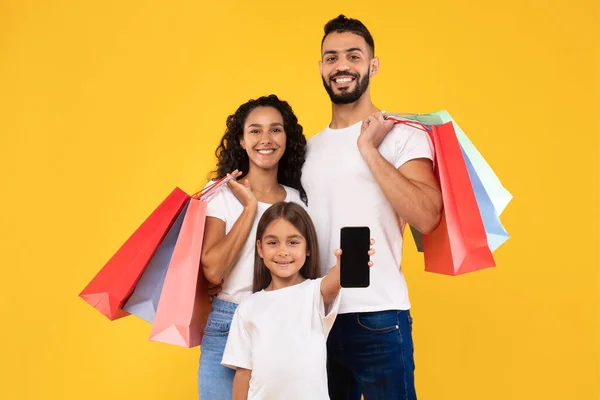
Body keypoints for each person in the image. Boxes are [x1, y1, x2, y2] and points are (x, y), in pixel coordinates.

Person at [300, 15, 444, 399]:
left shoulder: (401, 135)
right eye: (331, 58)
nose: (341, 66)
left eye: (353, 55)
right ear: (321, 68)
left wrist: (367, 149)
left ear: (373, 65)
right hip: (317, 316)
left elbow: (428, 216)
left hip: (379, 314)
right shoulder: (307, 150)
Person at [198, 94, 308, 400]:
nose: (265, 139)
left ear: (287, 139)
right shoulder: (219, 194)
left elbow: (307, 270)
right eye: (255, 130)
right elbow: (214, 270)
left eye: (275, 129)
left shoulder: (298, 200)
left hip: (284, 322)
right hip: (228, 322)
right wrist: (249, 209)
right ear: (242, 141)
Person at [221, 202, 375, 400]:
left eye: (293, 242)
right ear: (260, 248)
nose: (283, 251)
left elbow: (335, 279)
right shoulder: (247, 307)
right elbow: (243, 373)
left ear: (308, 248)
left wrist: (349, 261)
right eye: (272, 242)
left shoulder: (315, 292)